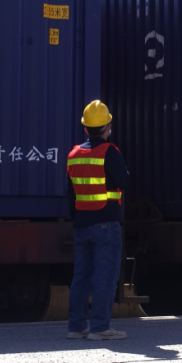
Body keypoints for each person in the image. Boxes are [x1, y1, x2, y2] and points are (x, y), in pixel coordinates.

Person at [66, 100, 131, 341]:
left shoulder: (74, 155)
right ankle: (100, 327)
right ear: (107, 127)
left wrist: (77, 218)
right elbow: (124, 182)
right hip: (106, 223)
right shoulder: (109, 152)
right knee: (106, 276)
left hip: (81, 223)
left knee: (81, 276)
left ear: (85, 128)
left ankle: (76, 327)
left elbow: (71, 194)